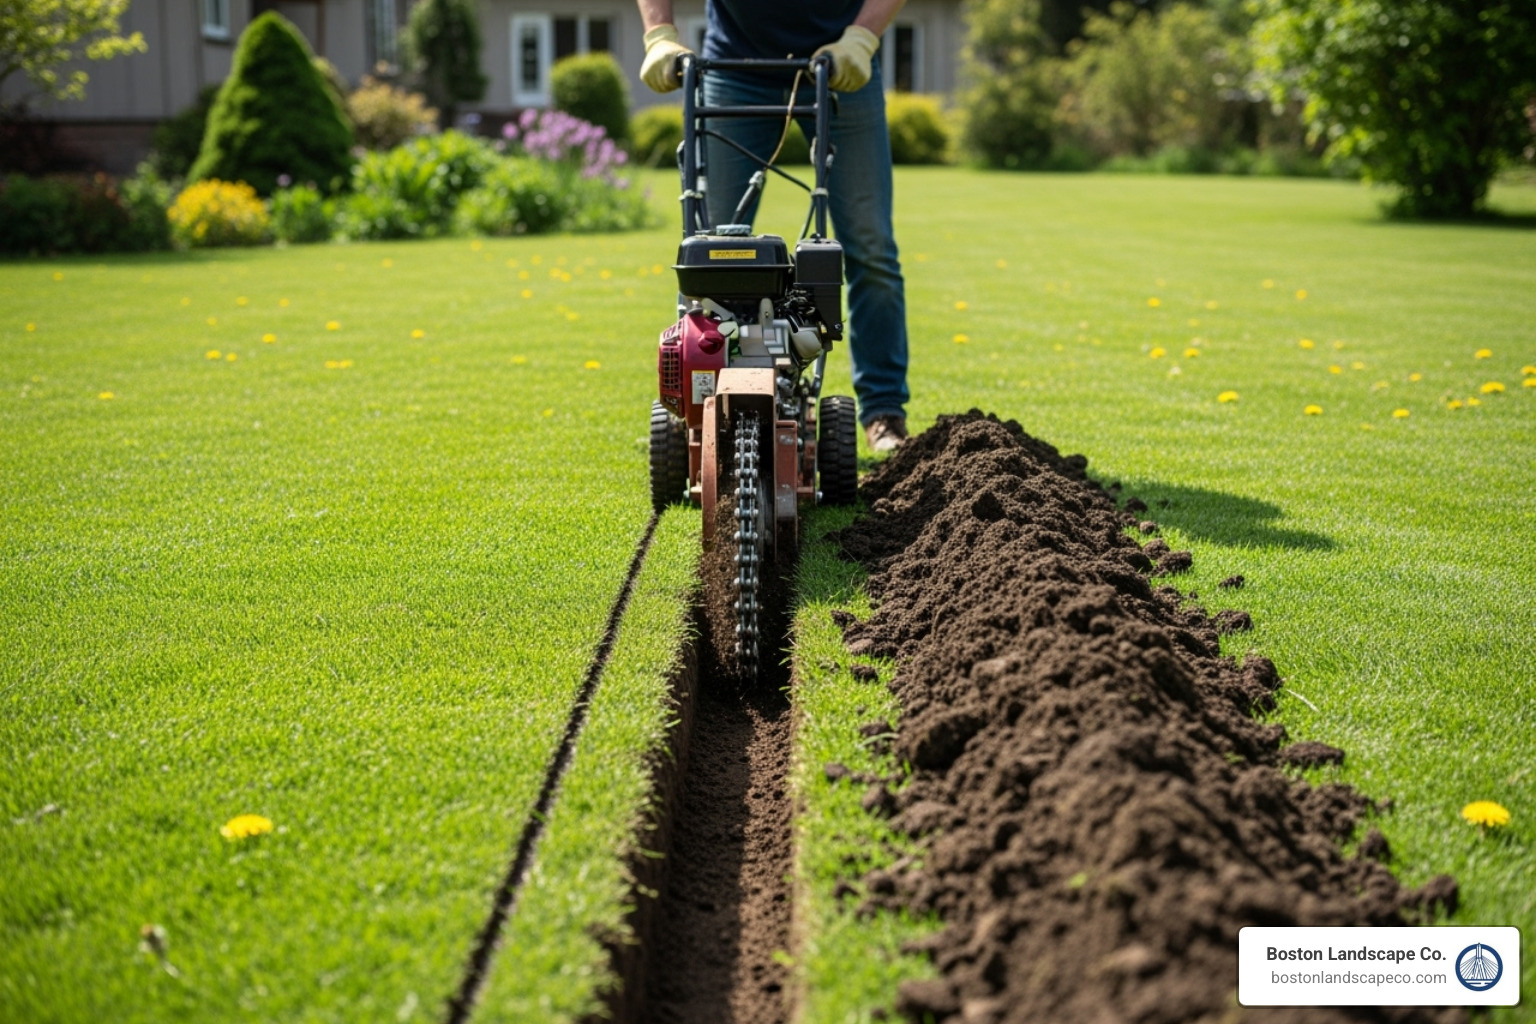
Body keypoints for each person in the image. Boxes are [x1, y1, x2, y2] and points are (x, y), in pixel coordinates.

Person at [636, 0, 912, 451]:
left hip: (841, 62)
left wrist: (863, 36)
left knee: (870, 245)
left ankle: (883, 414)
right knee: (707, 251)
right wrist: (658, 33)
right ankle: (699, 411)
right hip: (732, 67)